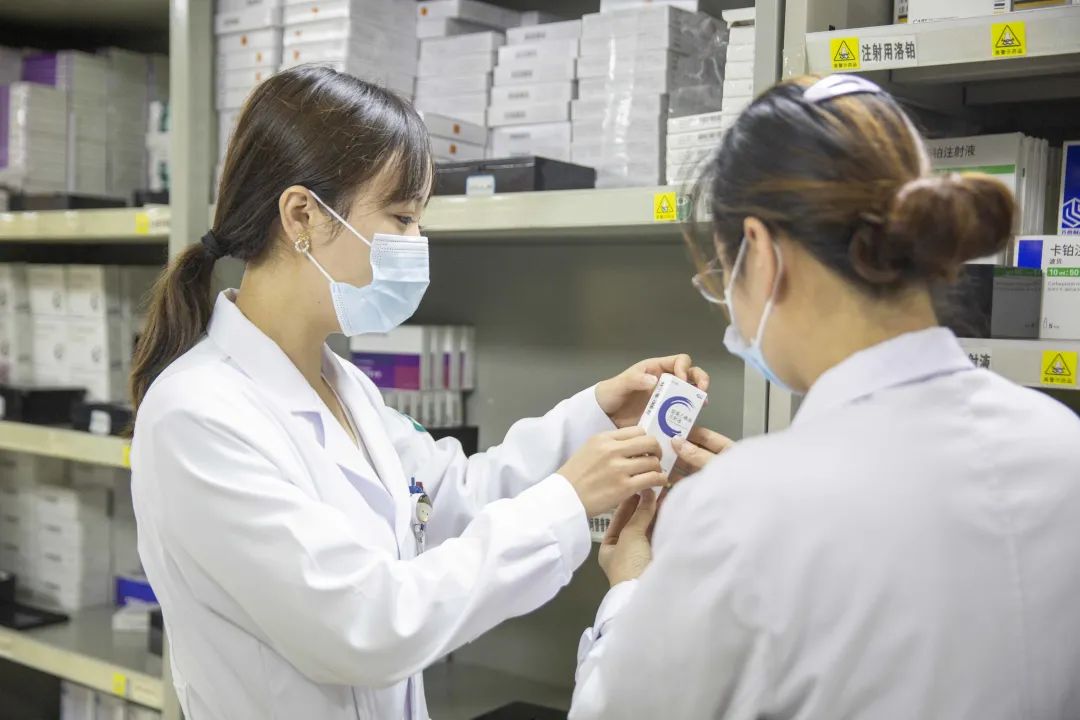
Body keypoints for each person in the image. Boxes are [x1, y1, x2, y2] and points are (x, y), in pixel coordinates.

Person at [128, 65, 709, 720]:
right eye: (402, 217)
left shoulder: (342, 385)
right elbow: (368, 626)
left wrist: (597, 416)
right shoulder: (197, 417)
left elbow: (449, 497)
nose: (418, 244)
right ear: (301, 216)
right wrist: (568, 500)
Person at [569, 74, 1080, 719]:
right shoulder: (1063, 442)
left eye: (724, 272)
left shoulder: (740, 511)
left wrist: (633, 589)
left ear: (761, 253)